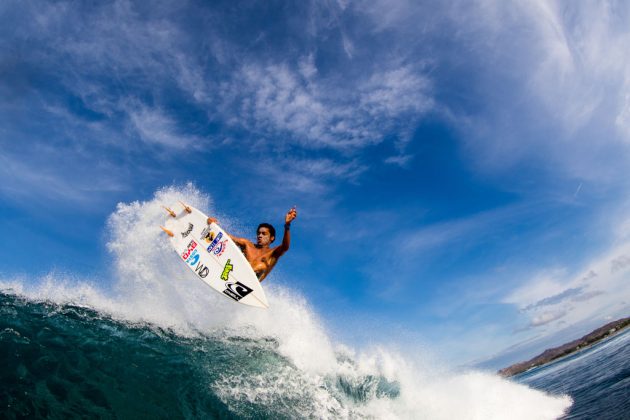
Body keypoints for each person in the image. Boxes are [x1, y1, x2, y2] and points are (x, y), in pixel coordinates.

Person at [206, 207, 297, 281]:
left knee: (260, 267)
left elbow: (285, 247)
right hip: (229, 276)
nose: (260, 235)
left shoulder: (273, 254)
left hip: (248, 287)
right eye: (258, 233)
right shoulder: (247, 245)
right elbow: (227, 237)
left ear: (272, 238)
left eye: (264, 234)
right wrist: (214, 226)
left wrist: (287, 225)